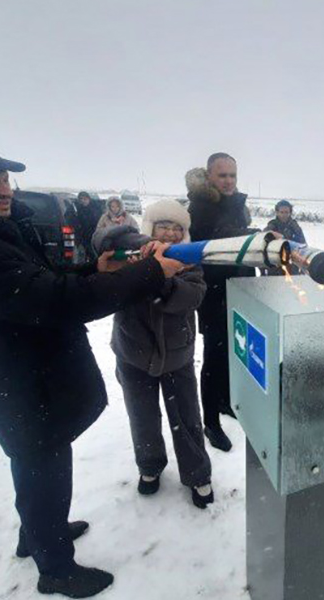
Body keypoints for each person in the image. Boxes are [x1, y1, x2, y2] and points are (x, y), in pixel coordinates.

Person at [0, 133, 185, 598]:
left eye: (6, 177)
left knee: (37, 460)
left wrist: (99, 271)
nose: (5, 188)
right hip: (15, 377)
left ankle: (36, 533)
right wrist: (149, 273)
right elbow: (54, 301)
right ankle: (54, 567)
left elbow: (39, 281)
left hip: (23, 370)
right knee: (42, 460)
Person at [106, 199, 214, 508]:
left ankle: (197, 474)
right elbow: (102, 241)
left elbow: (191, 296)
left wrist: (162, 277)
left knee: (187, 417)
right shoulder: (130, 256)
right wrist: (143, 260)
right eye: (162, 226)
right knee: (142, 417)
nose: (169, 233)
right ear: (149, 229)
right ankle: (150, 467)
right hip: (132, 352)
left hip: (177, 355)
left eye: (176, 228)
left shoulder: (190, 263)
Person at [187, 153, 258, 452]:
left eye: (233, 175)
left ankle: (226, 401)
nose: (229, 181)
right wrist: (255, 236)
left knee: (233, 351)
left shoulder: (237, 205)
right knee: (213, 358)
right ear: (210, 176)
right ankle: (211, 422)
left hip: (241, 288)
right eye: (222, 175)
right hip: (215, 293)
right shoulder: (201, 206)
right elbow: (218, 241)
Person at [74, 191, 104, 255]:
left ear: (89, 199)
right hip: (83, 235)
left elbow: (99, 222)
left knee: (94, 253)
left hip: (94, 235)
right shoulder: (78, 209)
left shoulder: (96, 208)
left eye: (85, 199)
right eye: (81, 199)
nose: (83, 201)